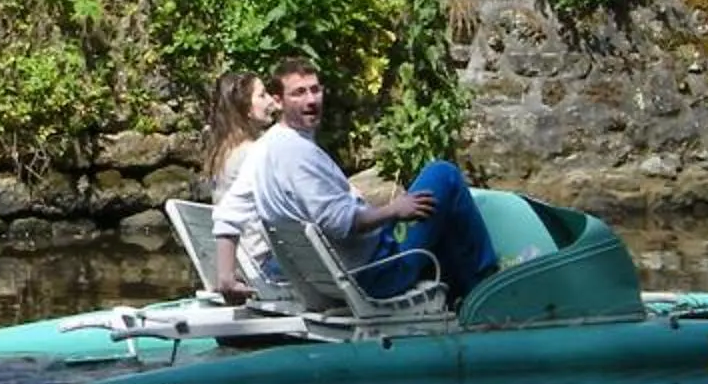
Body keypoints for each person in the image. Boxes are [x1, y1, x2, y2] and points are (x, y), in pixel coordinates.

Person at [249, 52, 498, 300]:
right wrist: (393, 210)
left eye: (315, 90)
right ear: (278, 101)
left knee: (434, 207)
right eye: (299, 93)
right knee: (444, 175)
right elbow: (339, 222)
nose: (311, 100)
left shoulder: (266, 146)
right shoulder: (298, 154)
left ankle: (465, 291)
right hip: (374, 273)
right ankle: (489, 290)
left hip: (334, 270)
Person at [200, 70, 281, 302]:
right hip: (263, 266)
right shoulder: (253, 153)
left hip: (241, 261)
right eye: (262, 95)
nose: (271, 101)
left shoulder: (222, 151)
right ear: (246, 109)